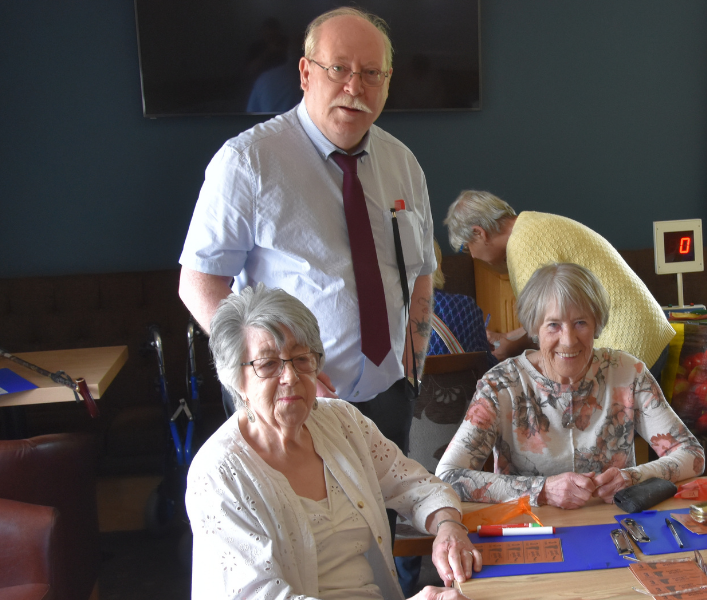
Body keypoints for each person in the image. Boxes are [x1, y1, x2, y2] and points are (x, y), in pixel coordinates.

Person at [179, 7, 435, 460]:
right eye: (339, 68)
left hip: (388, 400)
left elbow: (420, 275)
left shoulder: (404, 166)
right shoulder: (248, 162)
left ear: (388, 81)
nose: (355, 87)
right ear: (305, 72)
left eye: (371, 73)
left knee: (380, 529)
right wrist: (276, 374)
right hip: (284, 405)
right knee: (292, 531)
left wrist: (410, 372)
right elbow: (199, 283)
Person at [186, 284, 480, 600]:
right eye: (268, 364)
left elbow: (418, 487)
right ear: (236, 378)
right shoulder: (217, 474)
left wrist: (449, 528)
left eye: (301, 358)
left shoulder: (341, 422)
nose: (290, 377)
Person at [436, 263, 704, 508]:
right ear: (534, 327)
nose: (568, 340)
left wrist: (633, 477)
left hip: (613, 525)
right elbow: (448, 475)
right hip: (531, 528)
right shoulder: (501, 385)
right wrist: (541, 490)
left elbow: (692, 455)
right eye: (553, 325)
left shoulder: (627, 373)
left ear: (596, 324)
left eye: (580, 323)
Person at [443, 191, 675, 378]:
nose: (472, 256)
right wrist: (506, 337)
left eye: (466, 247)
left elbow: (545, 322)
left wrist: (508, 348)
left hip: (626, 346)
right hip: (646, 334)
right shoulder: (532, 224)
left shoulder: (523, 245)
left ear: (479, 233)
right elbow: (552, 318)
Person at [428, 240, 497, 365]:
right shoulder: (464, 307)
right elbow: (487, 369)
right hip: (459, 384)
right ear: (437, 265)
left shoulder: (384, 319)